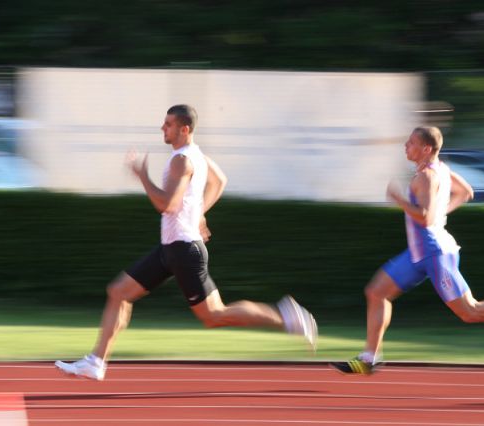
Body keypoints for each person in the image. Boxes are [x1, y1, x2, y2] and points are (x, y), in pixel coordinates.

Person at [56, 104, 318, 380]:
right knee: (119, 292)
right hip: (170, 248)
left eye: (168, 124)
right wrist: (198, 213)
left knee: (215, 315)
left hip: (184, 251)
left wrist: (142, 176)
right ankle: (97, 361)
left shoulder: (182, 160)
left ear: (185, 129)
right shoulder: (198, 156)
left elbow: (166, 205)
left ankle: (288, 317)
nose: (162, 128)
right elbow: (220, 181)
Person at [332, 126, 484, 375]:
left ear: (426, 148)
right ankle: (369, 358)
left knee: (470, 311)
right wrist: (439, 212)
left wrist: (398, 198)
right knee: (376, 292)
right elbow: (465, 193)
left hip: (435, 254)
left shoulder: (427, 177)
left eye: (410, 143)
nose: (405, 146)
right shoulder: (440, 169)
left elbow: (425, 218)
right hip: (418, 254)